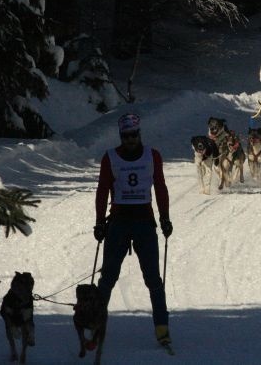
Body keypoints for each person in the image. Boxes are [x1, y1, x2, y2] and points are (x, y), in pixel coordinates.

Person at [94, 113, 174, 347]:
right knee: (107, 277)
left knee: (153, 279)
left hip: (144, 223)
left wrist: (165, 218)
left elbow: (160, 187)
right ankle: (96, 323)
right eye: (126, 136)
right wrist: (99, 222)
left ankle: (162, 328)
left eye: (134, 135)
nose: (130, 139)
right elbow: (102, 191)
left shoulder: (152, 156)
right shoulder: (110, 158)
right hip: (118, 222)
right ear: (121, 136)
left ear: (139, 134)